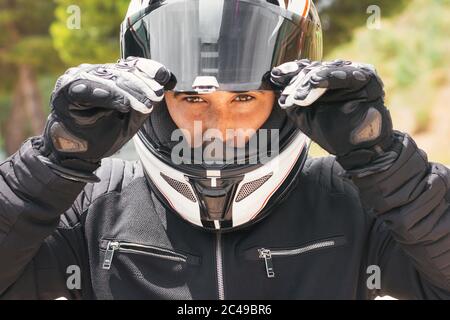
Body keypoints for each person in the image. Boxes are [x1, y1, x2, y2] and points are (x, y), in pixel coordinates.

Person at [1, 0, 449, 300]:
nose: (216, 127)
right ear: (156, 104)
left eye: (244, 98)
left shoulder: (353, 201)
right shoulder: (92, 206)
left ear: (283, 103)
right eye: (193, 100)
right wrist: (52, 163)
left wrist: (386, 165)